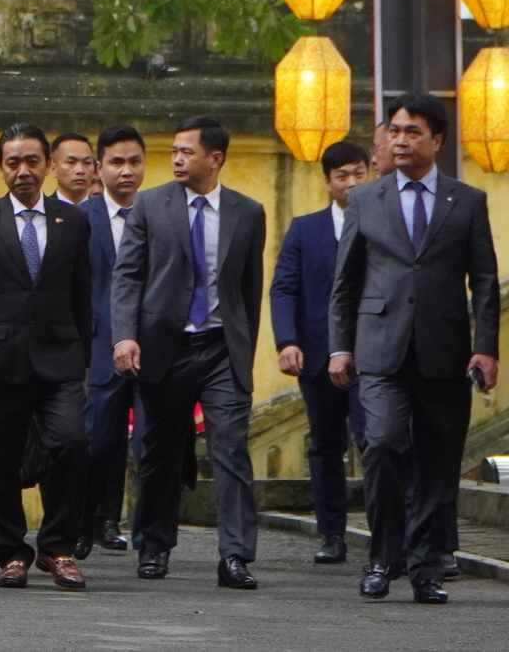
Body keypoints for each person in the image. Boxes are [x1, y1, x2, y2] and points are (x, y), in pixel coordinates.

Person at [330, 93, 500, 605]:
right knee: (381, 444)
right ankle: (383, 557)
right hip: (379, 349)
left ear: (438, 141)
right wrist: (339, 347)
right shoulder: (366, 199)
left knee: (438, 461)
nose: (400, 140)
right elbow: (346, 283)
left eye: (413, 132)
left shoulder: (467, 201)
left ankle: (427, 565)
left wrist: (486, 347)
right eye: (395, 131)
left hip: (445, 351)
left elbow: (486, 281)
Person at [110, 116, 265, 591]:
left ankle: (236, 555)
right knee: (159, 452)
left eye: (187, 151)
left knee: (231, 450)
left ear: (214, 159)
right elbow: (128, 277)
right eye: (174, 151)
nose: (176, 158)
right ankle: (154, 546)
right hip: (165, 346)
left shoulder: (248, 212)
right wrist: (125, 336)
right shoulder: (151, 206)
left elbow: (248, 289)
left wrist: (243, 351)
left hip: (221, 348)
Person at [0, 124, 91, 591]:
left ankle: (58, 548)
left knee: (69, 442)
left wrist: (85, 354)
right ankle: (11, 553)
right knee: (0, 461)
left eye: (32, 161)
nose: (23, 171)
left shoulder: (73, 221)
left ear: (49, 164)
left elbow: (83, 293)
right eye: (13, 162)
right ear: (1, 167)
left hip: (61, 357)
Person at [271, 138, 371, 567]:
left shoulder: (382, 225)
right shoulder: (305, 229)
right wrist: (287, 340)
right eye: (341, 177)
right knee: (326, 445)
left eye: (358, 174)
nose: (350, 184)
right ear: (327, 182)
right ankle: (331, 534)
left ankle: (390, 532)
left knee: (377, 442)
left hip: (372, 356)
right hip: (316, 353)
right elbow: (284, 288)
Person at [80, 124, 147, 555]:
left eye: (134, 162)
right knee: (96, 442)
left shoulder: (158, 214)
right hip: (95, 347)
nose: (126, 171)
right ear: (98, 167)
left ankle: (140, 533)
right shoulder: (79, 219)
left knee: (147, 445)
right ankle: (86, 522)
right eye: (116, 163)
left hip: (149, 349)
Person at [49, 134, 97, 208]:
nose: (80, 170)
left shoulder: (106, 212)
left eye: (87, 162)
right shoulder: (43, 210)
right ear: (53, 168)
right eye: (71, 162)